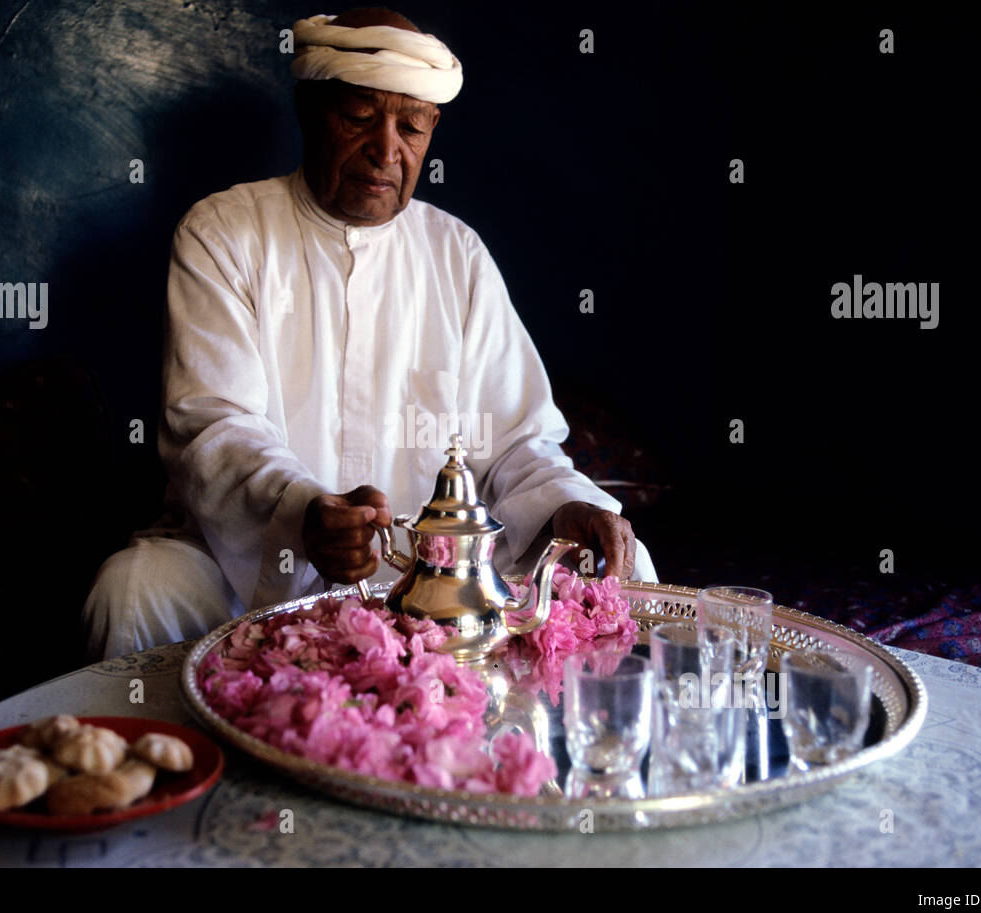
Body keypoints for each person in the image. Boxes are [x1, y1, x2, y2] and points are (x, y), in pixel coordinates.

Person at [82, 8, 657, 661]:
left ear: (432, 131)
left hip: (431, 581)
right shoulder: (224, 232)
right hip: (243, 566)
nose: (387, 150)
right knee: (134, 591)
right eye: (359, 117)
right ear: (308, 109)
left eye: (411, 126)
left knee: (623, 560)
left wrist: (570, 506)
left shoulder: (457, 253)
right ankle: (173, 765)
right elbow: (214, 428)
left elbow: (518, 442)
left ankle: (568, 760)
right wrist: (304, 515)